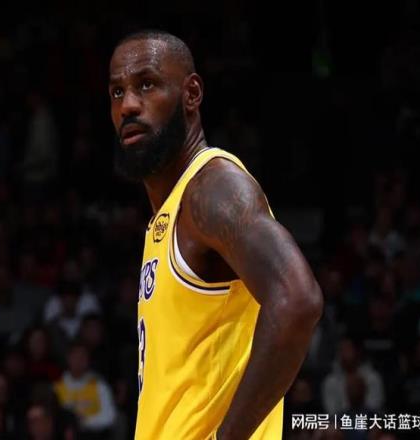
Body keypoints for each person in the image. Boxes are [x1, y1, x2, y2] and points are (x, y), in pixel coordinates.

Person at [108, 29, 323, 439]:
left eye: (146, 84)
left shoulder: (212, 189)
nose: (128, 105)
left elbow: (297, 299)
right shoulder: (172, 211)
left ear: (191, 94)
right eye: (117, 92)